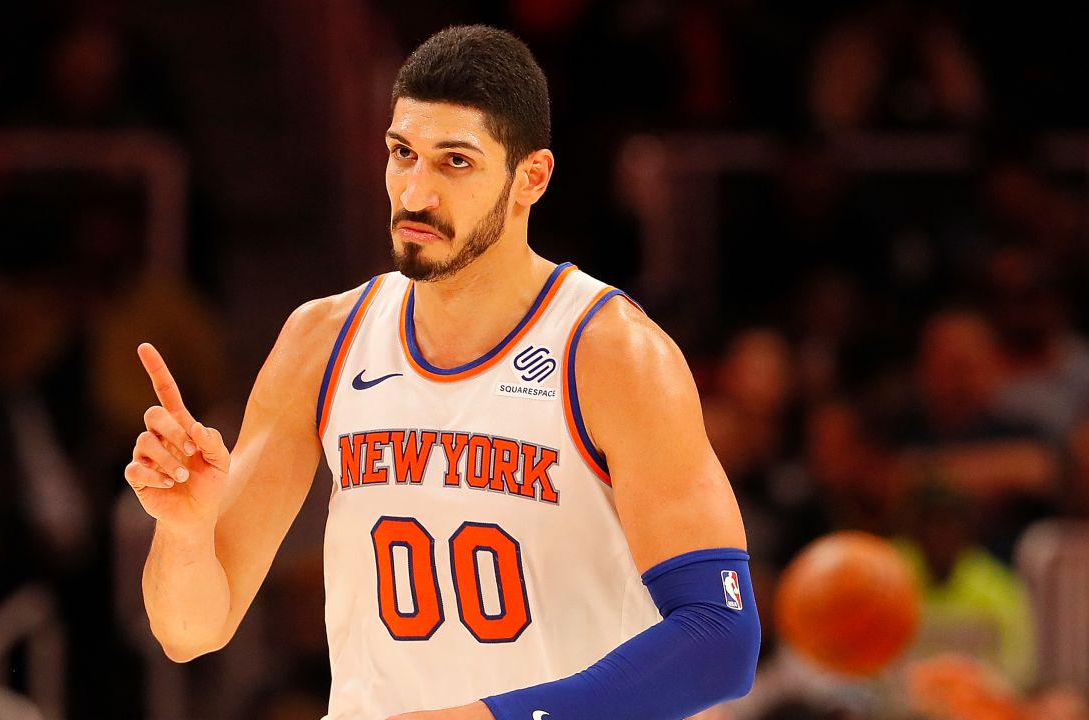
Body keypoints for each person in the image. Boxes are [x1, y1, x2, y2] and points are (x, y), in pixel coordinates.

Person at [125, 25, 759, 720]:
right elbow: (189, 631)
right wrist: (185, 531)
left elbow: (721, 639)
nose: (416, 192)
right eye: (403, 154)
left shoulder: (610, 353)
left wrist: (488, 719)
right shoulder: (323, 340)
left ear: (532, 179)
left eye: (455, 161)